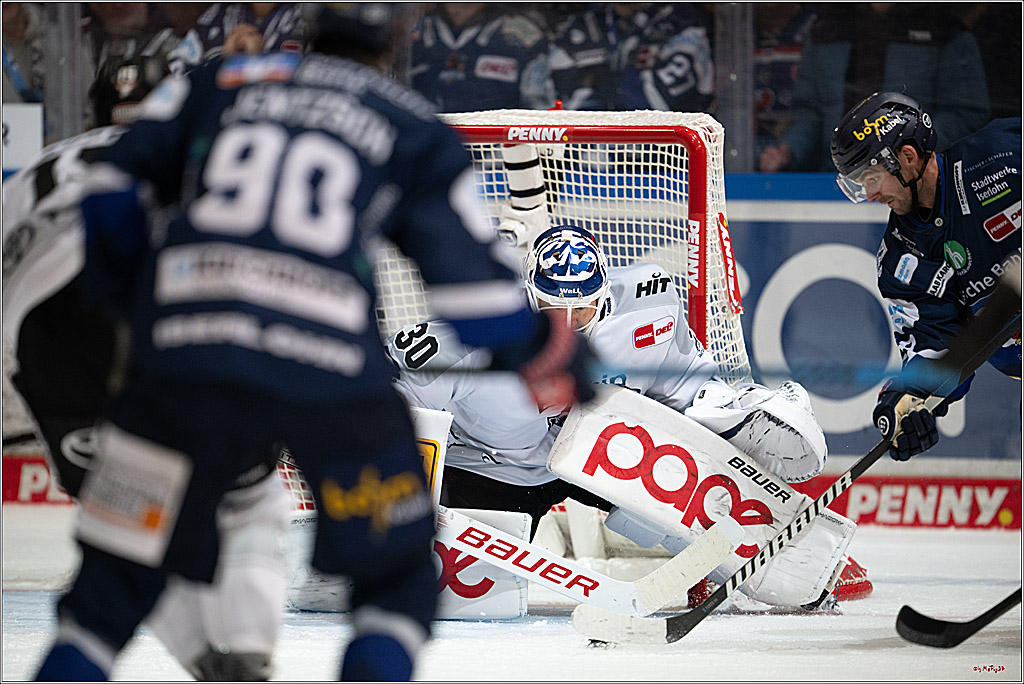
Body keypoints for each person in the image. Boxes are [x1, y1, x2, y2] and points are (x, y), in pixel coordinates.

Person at [31, 4, 592, 682]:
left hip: (181, 368)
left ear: (309, 32)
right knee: (397, 580)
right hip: (323, 369)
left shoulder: (220, 82)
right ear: (395, 41)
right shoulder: (410, 124)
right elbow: (472, 296)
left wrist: (140, 308)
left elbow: (109, 186)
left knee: (107, 597)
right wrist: (551, 352)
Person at [387, 224, 870, 607]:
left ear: (603, 299)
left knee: (678, 472)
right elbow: (393, 414)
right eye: (553, 309)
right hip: (493, 470)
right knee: (462, 598)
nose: (567, 326)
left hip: (605, 454)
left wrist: (722, 416)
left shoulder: (647, 308)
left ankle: (793, 561)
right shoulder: (465, 334)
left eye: (582, 311)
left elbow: (686, 386)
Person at [2, 64, 291, 683]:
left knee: (131, 530)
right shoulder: (211, 151)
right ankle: (245, 665)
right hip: (180, 302)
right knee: (248, 503)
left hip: (51, 322)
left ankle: (210, 665)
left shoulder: (37, 169)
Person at [830, 92, 1021, 461]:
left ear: (907, 157)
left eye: (871, 177)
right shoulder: (901, 258)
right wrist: (902, 401)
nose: (869, 194)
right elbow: (934, 347)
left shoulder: (1003, 155)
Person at [760, 3, 990, 172]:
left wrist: (911, 144)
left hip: (916, 186)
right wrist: (788, 150)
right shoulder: (826, 29)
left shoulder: (944, 30)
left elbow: (966, 115)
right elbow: (810, 113)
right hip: (833, 184)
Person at [407, 3, 553, 113]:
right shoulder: (407, 29)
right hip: (422, 147)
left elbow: (539, 116)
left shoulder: (522, 37)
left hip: (498, 150)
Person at [165, 2, 307, 74]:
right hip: (214, 119)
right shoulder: (219, 12)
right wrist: (222, 62)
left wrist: (255, 62)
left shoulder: (309, 16)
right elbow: (177, 70)